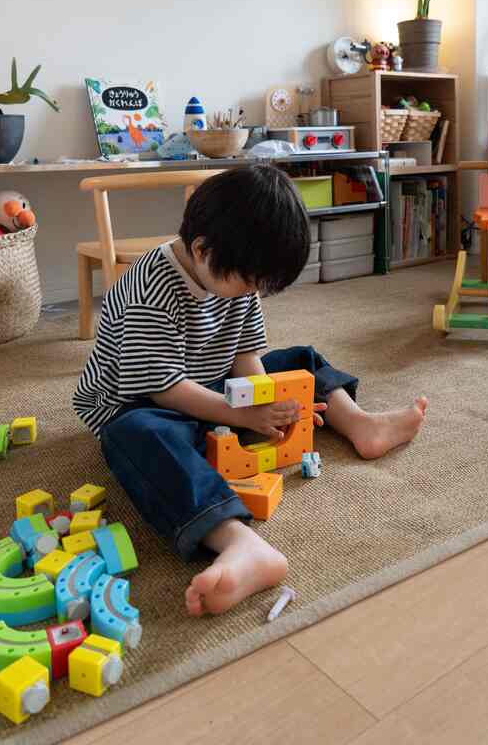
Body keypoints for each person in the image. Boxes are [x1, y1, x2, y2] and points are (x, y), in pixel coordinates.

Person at [73, 165, 427, 616]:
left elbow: (245, 354)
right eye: (248, 283)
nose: (251, 292)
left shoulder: (237, 275)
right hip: (141, 401)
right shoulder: (149, 287)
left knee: (300, 360)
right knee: (133, 436)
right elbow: (162, 388)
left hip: (211, 383)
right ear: (201, 250)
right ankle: (237, 541)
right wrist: (239, 415)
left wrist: (267, 398)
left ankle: (359, 423)